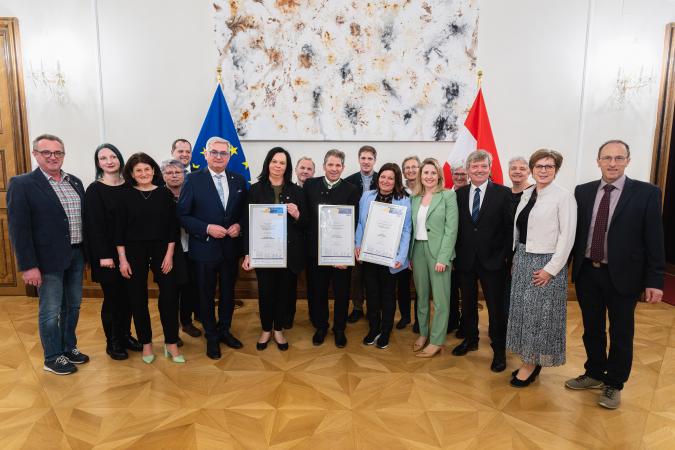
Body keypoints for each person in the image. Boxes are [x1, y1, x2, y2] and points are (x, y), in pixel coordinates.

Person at [565, 139, 665, 409]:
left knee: (621, 333)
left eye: (618, 158)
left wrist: (655, 280)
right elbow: (574, 233)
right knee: (592, 329)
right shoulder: (582, 191)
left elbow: (655, 239)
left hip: (624, 276)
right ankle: (595, 373)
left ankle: (614, 383)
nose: (612, 163)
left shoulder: (646, 193)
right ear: (597, 161)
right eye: (606, 158)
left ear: (627, 161)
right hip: (588, 273)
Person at [7, 134, 89, 375]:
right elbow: (18, 229)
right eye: (47, 153)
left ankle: (68, 347)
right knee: (50, 310)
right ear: (36, 154)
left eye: (58, 153)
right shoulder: (22, 184)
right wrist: (28, 266)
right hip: (46, 261)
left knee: (73, 306)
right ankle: (52, 357)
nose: (53, 157)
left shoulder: (74, 181)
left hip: (76, 255)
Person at [506, 149, 576, 387]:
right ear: (532, 169)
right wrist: (516, 256)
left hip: (547, 264)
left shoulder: (563, 196)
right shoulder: (528, 193)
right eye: (539, 166)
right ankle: (529, 359)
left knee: (539, 317)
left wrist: (551, 269)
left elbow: (567, 237)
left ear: (556, 170)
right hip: (524, 258)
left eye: (549, 166)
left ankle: (531, 364)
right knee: (524, 315)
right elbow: (520, 229)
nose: (544, 170)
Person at [177, 136, 248, 360]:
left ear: (229, 156)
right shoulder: (193, 180)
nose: (219, 157)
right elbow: (183, 215)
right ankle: (212, 335)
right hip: (204, 250)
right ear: (206, 154)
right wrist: (206, 228)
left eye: (223, 153)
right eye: (214, 152)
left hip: (229, 250)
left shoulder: (238, 180)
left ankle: (225, 330)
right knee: (205, 295)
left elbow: (245, 213)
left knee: (228, 294)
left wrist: (239, 225)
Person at [115, 153, 184, 364]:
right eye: (138, 171)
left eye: (147, 169)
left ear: (154, 171)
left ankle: (171, 342)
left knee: (170, 296)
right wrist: (123, 260)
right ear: (132, 174)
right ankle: (146, 343)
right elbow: (119, 231)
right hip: (133, 251)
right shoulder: (124, 195)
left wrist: (170, 255)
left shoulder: (164, 194)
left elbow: (173, 227)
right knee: (138, 298)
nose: (143, 174)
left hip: (163, 249)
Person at [452, 150, 513, 373]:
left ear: (489, 168)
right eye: (474, 167)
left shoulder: (504, 194)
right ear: (467, 170)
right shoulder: (458, 194)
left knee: (496, 309)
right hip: (466, 260)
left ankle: (499, 351)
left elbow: (509, 230)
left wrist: (509, 258)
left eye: (483, 166)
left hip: (494, 261)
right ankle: (471, 340)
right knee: (467, 304)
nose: (478, 170)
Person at [242, 147, 307, 351]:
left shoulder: (297, 191)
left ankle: (278, 329)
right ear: (268, 163)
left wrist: (297, 214)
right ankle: (265, 329)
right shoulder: (255, 189)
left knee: (283, 293)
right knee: (266, 292)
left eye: (282, 163)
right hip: (263, 253)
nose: (278, 166)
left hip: (288, 254)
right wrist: (247, 252)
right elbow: (247, 223)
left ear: (287, 167)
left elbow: (307, 224)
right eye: (274, 161)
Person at [84, 143, 142, 361]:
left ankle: (126, 335)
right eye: (103, 158)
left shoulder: (130, 186)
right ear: (98, 163)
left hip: (131, 254)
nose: (109, 161)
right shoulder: (95, 190)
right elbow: (94, 226)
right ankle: (113, 341)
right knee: (113, 299)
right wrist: (104, 256)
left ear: (120, 159)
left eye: (112, 156)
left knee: (129, 298)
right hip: (107, 255)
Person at [304, 149, 360, 348]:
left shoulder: (352, 189)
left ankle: (339, 329)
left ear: (343, 168)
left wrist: (345, 255)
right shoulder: (310, 185)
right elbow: (305, 218)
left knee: (342, 293)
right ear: (324, 166)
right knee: (317, 291)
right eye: (331, 165)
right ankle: (321, 326)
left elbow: (354, 223)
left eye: (338, 165)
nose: (334, 169)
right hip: (315, 252)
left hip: (340, 254)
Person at [355, 163, 412, 349]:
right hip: (370, 255)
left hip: (391, 258)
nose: (386, 181)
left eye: (390, 178)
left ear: (396, 181)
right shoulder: (367, 196)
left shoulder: (403, 199)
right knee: (372, 293)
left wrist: (401, 257)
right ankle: (374, 328)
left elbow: (406, 230)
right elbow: (361, 224)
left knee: (387, 295)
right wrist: (357, 245)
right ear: (378, 178)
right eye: (383, 177)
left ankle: (386, 330)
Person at [410, 158, 458, 358]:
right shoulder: (414, 198)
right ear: (420, 176)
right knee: (421, 297)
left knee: (440, 300)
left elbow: (451, 229)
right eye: (425, 173)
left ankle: (437, 340)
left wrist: (443, 258)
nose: (429, 176)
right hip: (417, 251)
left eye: (432, 172)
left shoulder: (447, 196)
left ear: (439, 175)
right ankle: (423, 334)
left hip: (439, 254)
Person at [162, 159, 201, 339]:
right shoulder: (158, 196)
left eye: (178, 172)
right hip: (167, 253)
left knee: (190, 289)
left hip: (192, 249)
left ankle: (186, 323)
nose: (175, 175)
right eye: (169, 172)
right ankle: (171, 332)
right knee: (170, 293)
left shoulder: (193, 193)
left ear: (185, 175)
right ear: (163, 176)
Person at [345, 145, 378, 323]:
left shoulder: (383, 178)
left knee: (373, 274)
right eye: (363, 158)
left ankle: (374, 307)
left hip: (377, 235)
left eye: (370, 158)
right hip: (355, 233)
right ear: (359, 159)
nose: (366, 162)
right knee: (356, 275)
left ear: (374, 160)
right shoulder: (349, 181)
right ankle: (357, 307)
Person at [286, 156, 315, 328]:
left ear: (314, 172)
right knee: (289, 286)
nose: (305, 171)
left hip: (313, 247)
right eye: (302, 168)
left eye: (309, 169)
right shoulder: (288, 189)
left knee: (314, 285)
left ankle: (314, 316)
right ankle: (287, 318)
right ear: (296, 170)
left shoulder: (317, 190)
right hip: (293, 246)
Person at [396, 156, 420, 331]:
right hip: (402, 245)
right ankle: (405, 316)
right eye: (407, 168)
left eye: (414, 167)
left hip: (420, 244)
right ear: (403, 172)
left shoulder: (427, 190)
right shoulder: (400, 192)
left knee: (421, 286)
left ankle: (420, 320)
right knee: (403, 285)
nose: (411, 170)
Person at [447, 164, 470, 336]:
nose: (460, 177)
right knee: (450, 290)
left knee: (467, 292)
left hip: (467, 253)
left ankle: (465, 325)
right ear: (451, 175)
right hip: (448, 252)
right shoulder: (446, 195)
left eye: (463, 173)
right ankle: (452, 320)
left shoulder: (473, 194)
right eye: (457, 174)